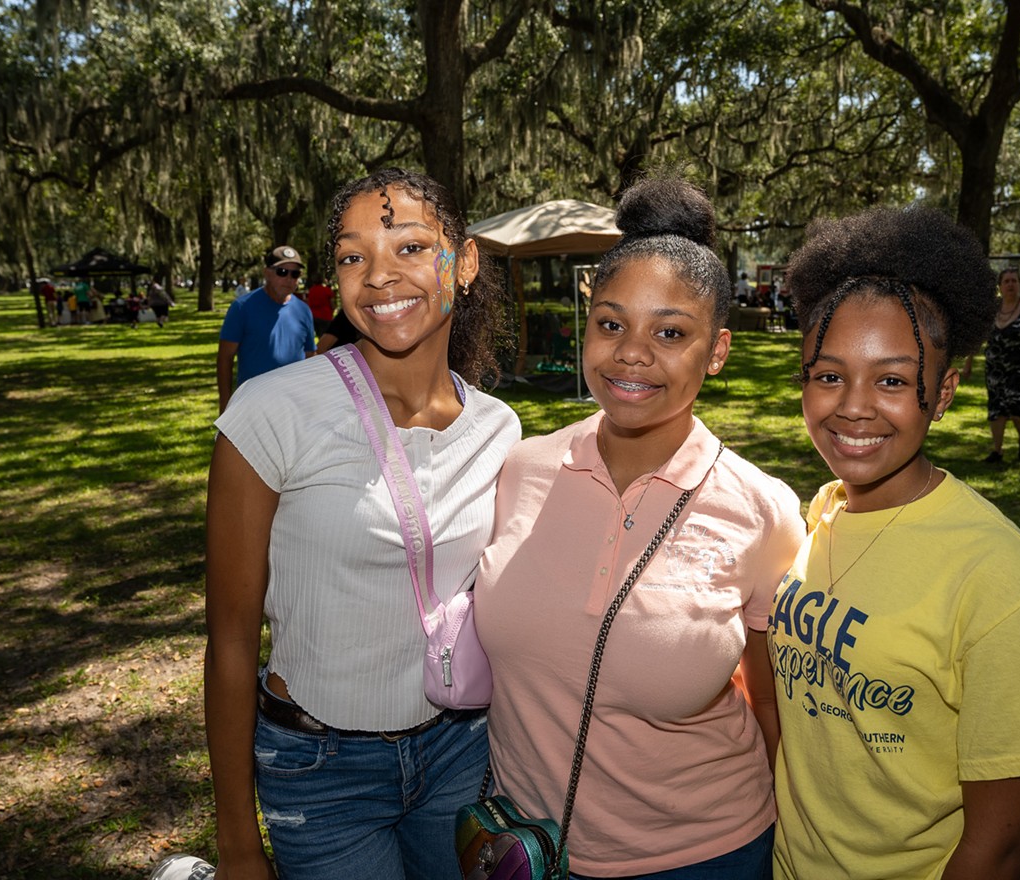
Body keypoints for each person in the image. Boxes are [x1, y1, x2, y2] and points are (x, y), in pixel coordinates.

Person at [476, 177, 804, 879]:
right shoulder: (519, 470)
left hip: (706, 855)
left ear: (716, 353)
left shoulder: (762, 509)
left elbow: (772, 695)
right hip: (523, 845)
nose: (631, 353)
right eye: (611, 323)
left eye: (671, 333)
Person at [204, 167, 521, 880]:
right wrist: (237, 845)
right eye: (353, 257)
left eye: (410, 248)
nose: (379, 277)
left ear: (462, 263)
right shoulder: (269, 414)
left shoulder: (501, 430)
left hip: (461, 755)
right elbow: (229, 641)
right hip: (320, 771)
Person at [770, 206, 1020, 880]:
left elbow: (1002, 844)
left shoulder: (997, 576)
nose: (854, 405)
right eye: (828, 376)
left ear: (942, 393)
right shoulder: (823, 514)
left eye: (891, 380)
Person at [962, 267, 1020, 462]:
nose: (1011, 284)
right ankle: (997, 450)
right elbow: (979, 339)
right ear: (1000, 286)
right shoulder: (992, 309)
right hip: (995, 368)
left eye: (1014, 281)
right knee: (997, 408)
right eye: (1007, 281)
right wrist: (968, 363)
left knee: (1018, 407)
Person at [216, 245, 315, 414]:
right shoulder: (242, 308)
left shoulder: (304, 310)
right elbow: (225, 359)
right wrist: (225, 406)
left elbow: (310, 358)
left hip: (294, 407)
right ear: (267, 273)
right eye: (282, 272)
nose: (289, 278)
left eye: (295, 273)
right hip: (252, 406)